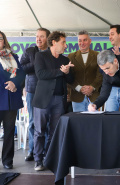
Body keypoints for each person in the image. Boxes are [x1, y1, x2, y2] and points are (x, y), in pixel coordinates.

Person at [32, 31, 74, 171]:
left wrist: (67, 73)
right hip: (43, 99)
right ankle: (38, 160)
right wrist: (60, 72)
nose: (65, 45)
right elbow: (41, 74)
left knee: (54, 132)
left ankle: (50, 159)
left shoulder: (65, 60)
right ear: (54, 42)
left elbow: (71, 80)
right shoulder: (40, 55)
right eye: (63, 42)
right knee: (39, 131)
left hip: (59, 100)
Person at [20, 28, 50, 161]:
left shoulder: (52, 52)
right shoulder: (30, 51)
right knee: (32, 122)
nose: (38, 39)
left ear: (48, 39)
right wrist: (37, 61)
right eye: (37, 36)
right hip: (32, 89)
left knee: (47, 122)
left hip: (48, 90)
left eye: (42, 36)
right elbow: (22, 68)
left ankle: (47, 151)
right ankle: (33, 150)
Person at [0, 31, 25, 169]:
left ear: (4, 40)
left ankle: (7, 161)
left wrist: (14, 83)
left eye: (0, 38)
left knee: (9, 131)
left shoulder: (13, 56)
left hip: (11, 99)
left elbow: (21, 73)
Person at [67, 30, 102, 111]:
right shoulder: (71, 56)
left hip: (94, 97)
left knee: (94, 122)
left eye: (85, 40)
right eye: (80, 40)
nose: (82, 43)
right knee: (78, 122)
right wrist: (79, 88)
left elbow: (100, 75)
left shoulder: (98, 55)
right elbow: (69, 76)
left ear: (90, 41)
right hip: (77, 97)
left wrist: (92, 87)